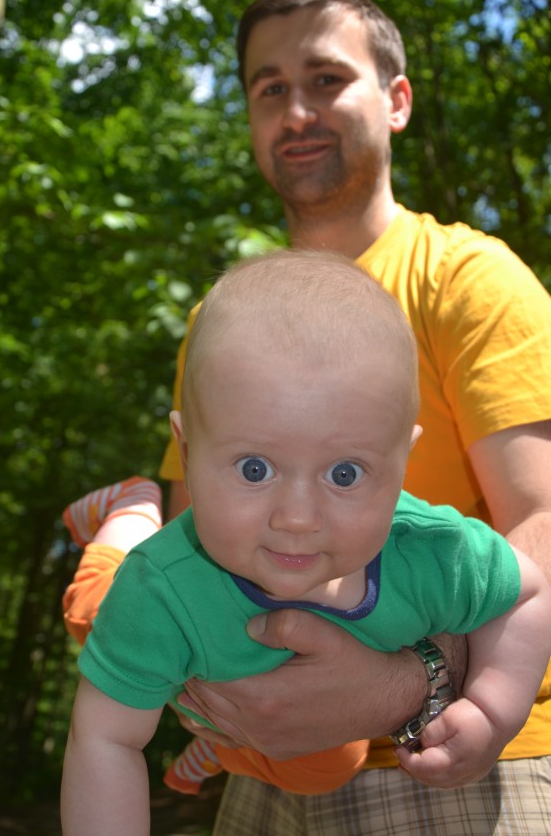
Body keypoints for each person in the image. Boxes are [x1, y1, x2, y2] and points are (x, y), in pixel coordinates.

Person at [63, 0, 551, 834]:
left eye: (327, 78)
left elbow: (544, 525)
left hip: (468, 758)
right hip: (271, 767)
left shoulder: (467, 279)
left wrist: (409, 683)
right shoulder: (221, 323)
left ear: (397, 100)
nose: (297, 111)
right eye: (270, 88)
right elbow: (204, 551)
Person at [60, 250, 551, 836]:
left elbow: (526, 592)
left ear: (401, 467)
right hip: (133, 599)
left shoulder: (431, 554)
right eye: (254, 469)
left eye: (344, 474)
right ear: (187, 453)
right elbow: (105, 738)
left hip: (314, 740)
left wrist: (493, 710)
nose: (297, 517)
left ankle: (217, 746)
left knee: (325, 760)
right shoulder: (161, 588)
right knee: (92, 612)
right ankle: (131, 510)